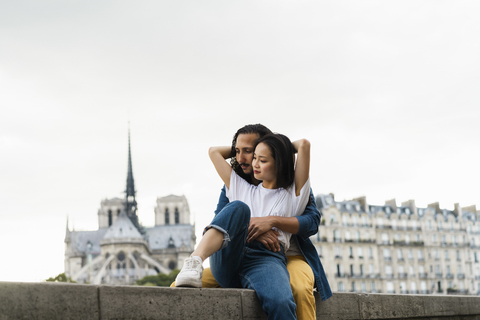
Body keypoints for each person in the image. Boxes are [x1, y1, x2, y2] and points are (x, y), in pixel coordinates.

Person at [172, 124, 332, 320]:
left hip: (266, 259)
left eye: (260, 158)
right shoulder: (241, 187)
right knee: (239, 208)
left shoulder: (294, 195)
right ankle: (194, 261)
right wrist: (246, 149)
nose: (250, 162)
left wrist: (276, 145)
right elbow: (213, 152)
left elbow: (304, 145)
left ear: (279, 161)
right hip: (231, 253)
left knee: (282, 302)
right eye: (253, 156)